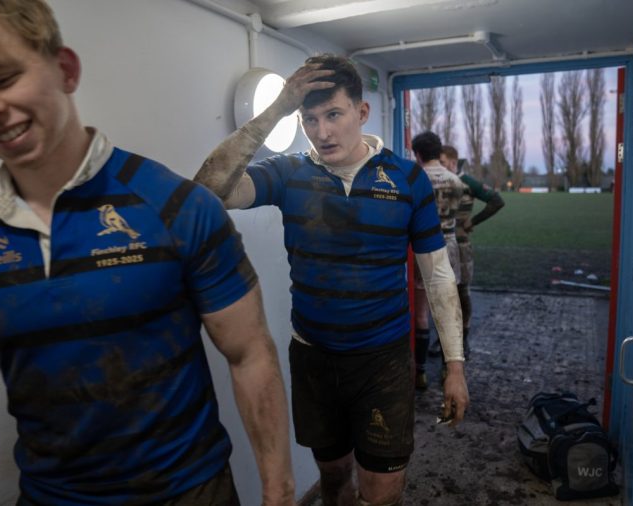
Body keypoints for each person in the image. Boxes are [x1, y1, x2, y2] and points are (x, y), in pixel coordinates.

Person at [0, 1, 294, 504]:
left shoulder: (176, 207)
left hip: (189, 491)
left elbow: (250, 352)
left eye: (2, 77)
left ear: (65, 70)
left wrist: (279, 491)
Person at [194, 54, 469, 506]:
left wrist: (455, 367)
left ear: (361, 113)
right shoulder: (289, 173)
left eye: (334, 115)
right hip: (315, 360)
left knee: (381, 494)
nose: (322, 132)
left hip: (384, 361)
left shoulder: (405, 178)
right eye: (310, 119)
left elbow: (437, 276)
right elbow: (208, 191)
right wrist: (277, 108)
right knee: (335, 480)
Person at [430, 145, 505, 360]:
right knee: (442, 293)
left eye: (443, 163)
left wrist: (473, 221)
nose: (440, 167)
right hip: (439, 244)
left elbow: (497, 201)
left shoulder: (468, 182)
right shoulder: (435, 181)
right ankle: (443, 339)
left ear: (453, 163)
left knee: (462, 291)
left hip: (461, 245)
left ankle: (463, 339)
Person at [410, 132, 465, 389]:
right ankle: (447, 369)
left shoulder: (417, 179)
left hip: (424, 247)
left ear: (418, 154)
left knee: (421, 312)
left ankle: (419, 372)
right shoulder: (455, 180)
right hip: (450, 246)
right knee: (447, 309)